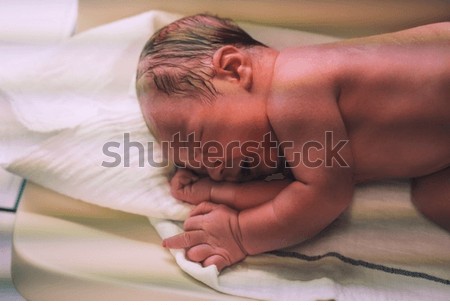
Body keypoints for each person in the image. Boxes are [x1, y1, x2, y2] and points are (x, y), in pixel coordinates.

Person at [136, 14, 450, 271]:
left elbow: (323, 196)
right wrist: (215, 192)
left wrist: (240, 234)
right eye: (198, 165)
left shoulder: (295, 85)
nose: (215, 168)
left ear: (233, 70)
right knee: (433, 200)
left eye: (202, 141)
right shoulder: (289, 145)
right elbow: (296, 193)